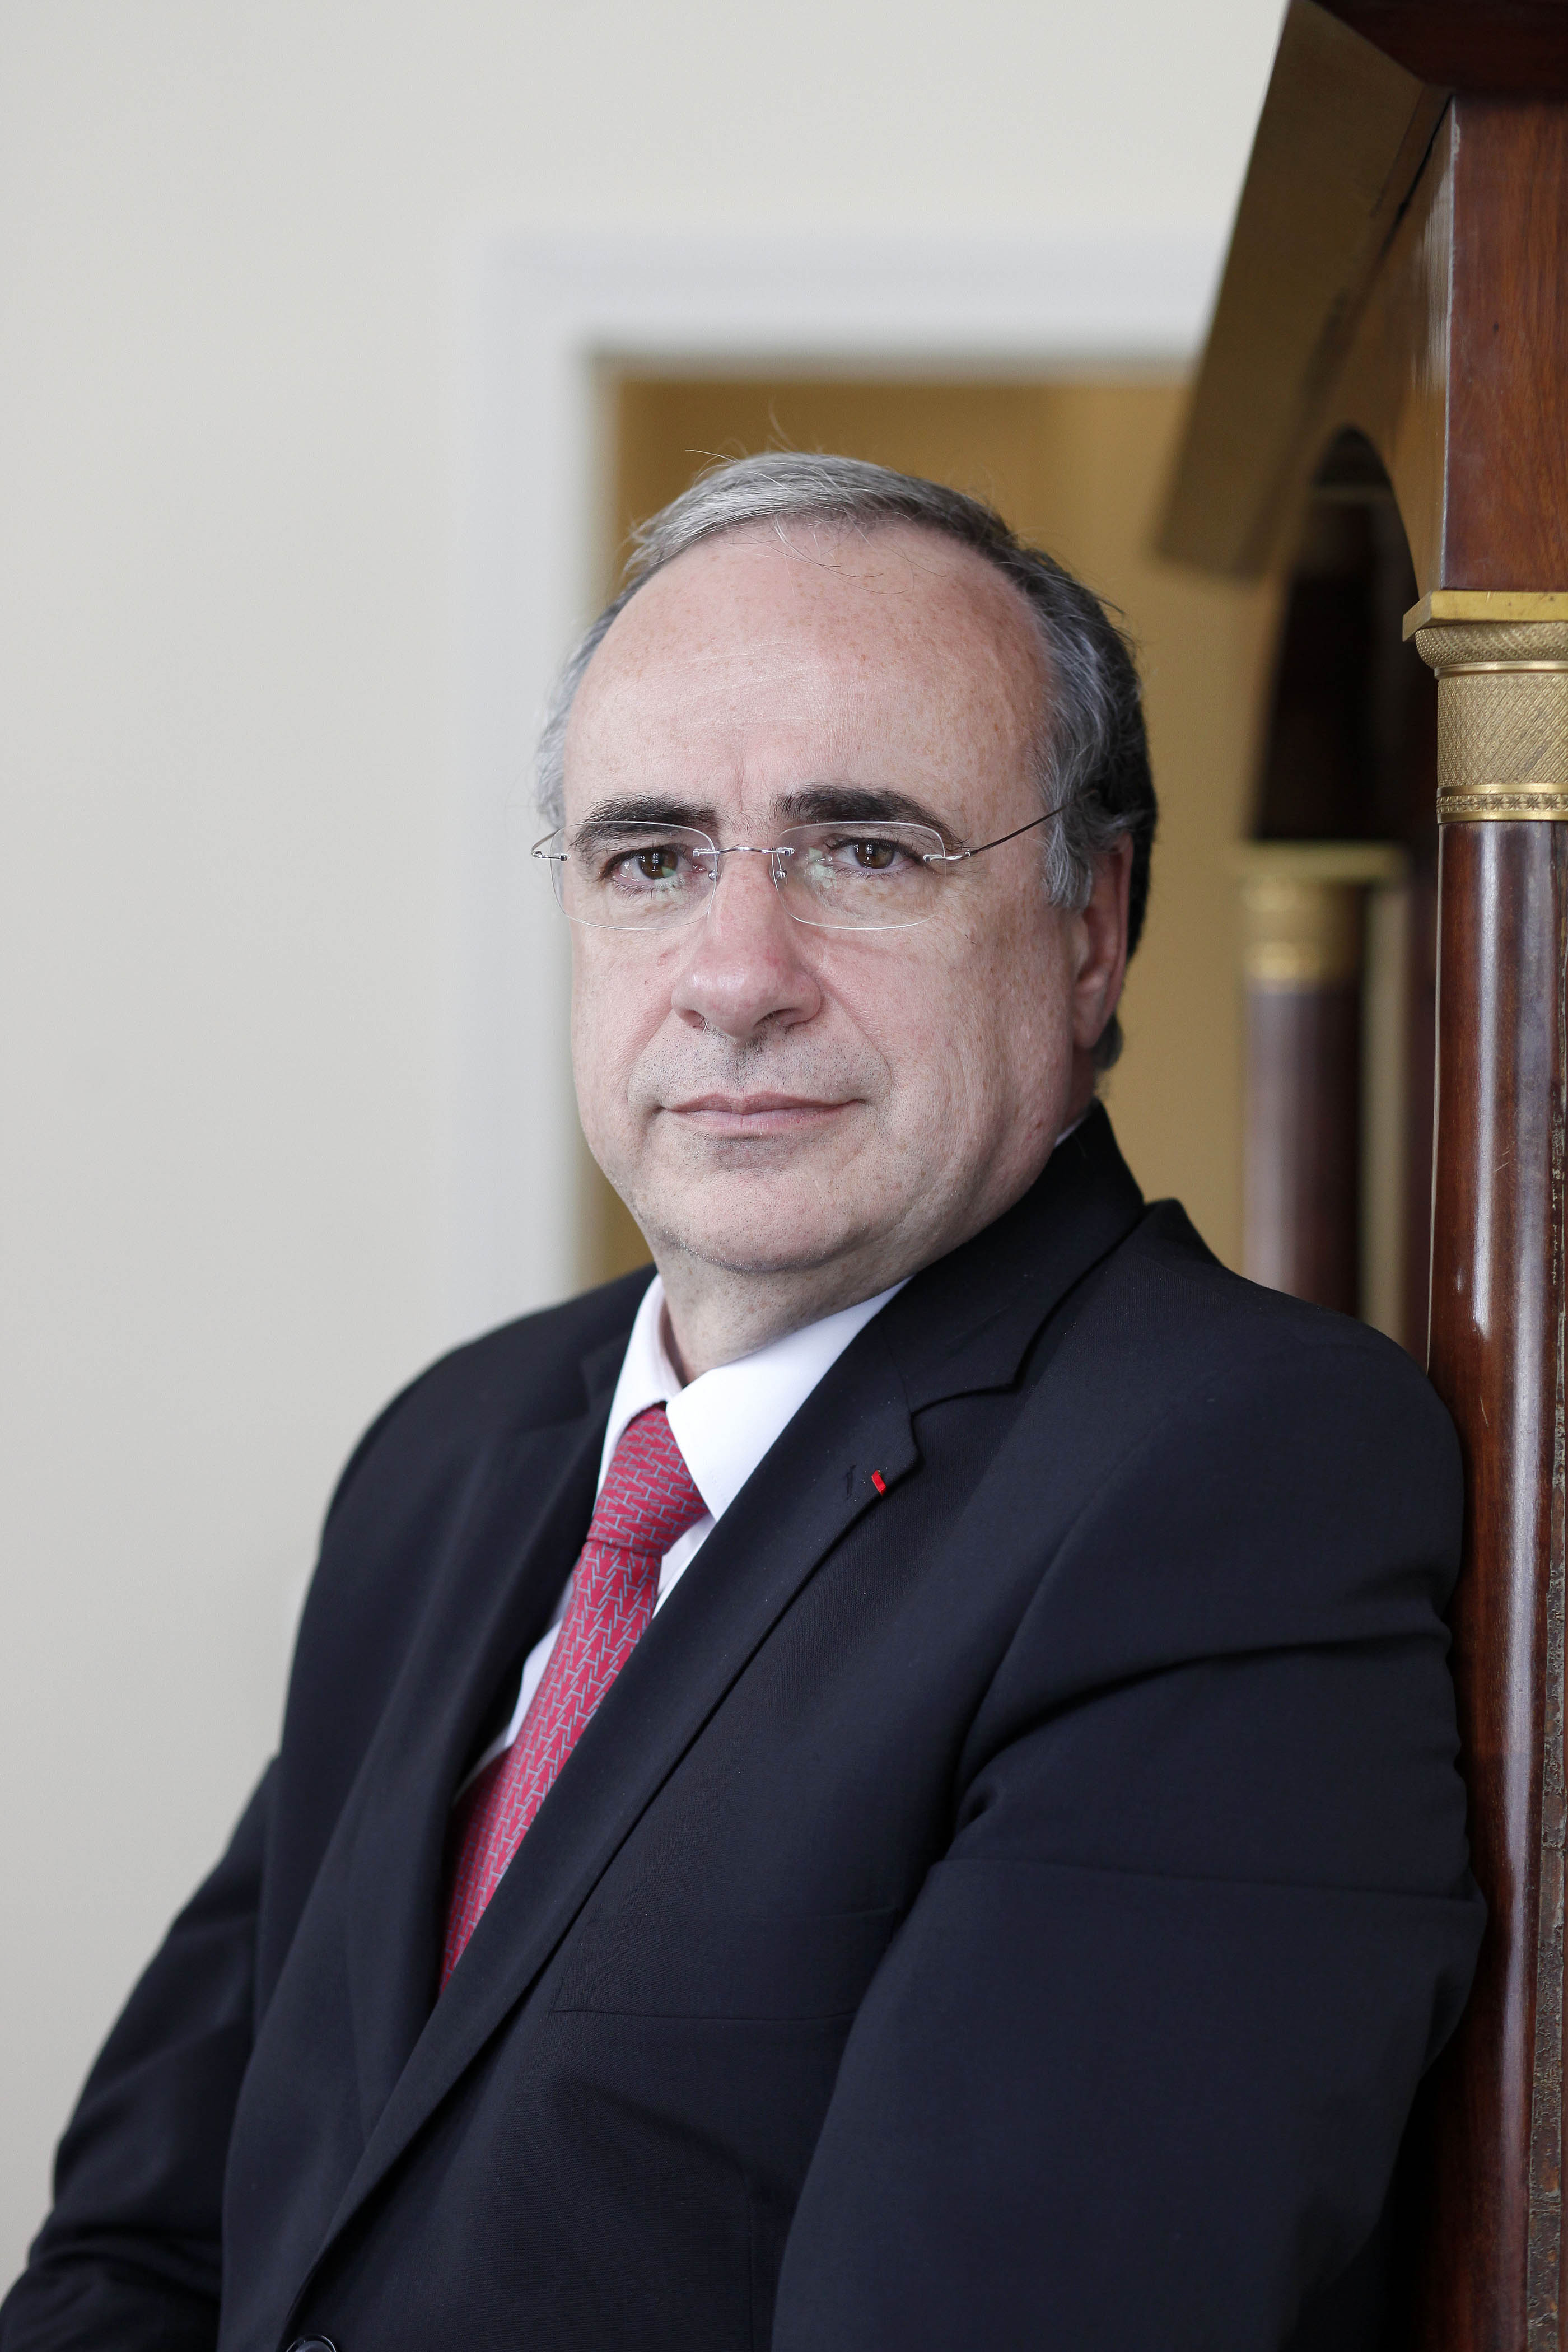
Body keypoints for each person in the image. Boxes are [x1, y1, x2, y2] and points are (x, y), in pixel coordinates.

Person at [1, 455, 1481, 2352]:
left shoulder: (1234, 1477)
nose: (734, 978)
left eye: (865, 851)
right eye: (651, 859)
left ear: (1090, 925)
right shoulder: (452, 1455)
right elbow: (143, 2256)